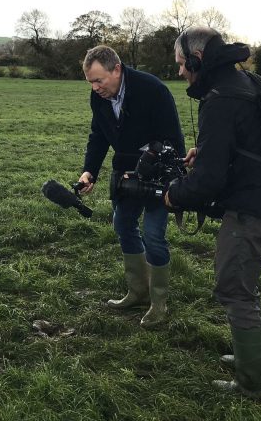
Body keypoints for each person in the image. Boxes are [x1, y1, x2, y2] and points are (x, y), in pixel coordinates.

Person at [165, 27, 261, 399]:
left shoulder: (220, 98)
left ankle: (252, 383)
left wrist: (174, 196)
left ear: (198, 59)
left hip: (254, 207)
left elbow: (209, 182)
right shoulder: (242, 80)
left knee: (234, 289)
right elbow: (247, 142)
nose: (180, 73)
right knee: (242, 285)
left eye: (182, 64)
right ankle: (250, 357)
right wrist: (205, 152)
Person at [77, 45, 185, 328]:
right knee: (123, 225)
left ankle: (158, 302)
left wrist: (159, 167)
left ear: (117, 69)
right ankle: (137, 292)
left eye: (99, 80)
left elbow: (174, 139)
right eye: (90, 82)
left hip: (157, 175)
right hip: (124, 174)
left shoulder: (153, 90)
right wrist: (90, 171)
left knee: (153, 235)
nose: (95, 87)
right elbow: (98, 135)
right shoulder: (98, 97)